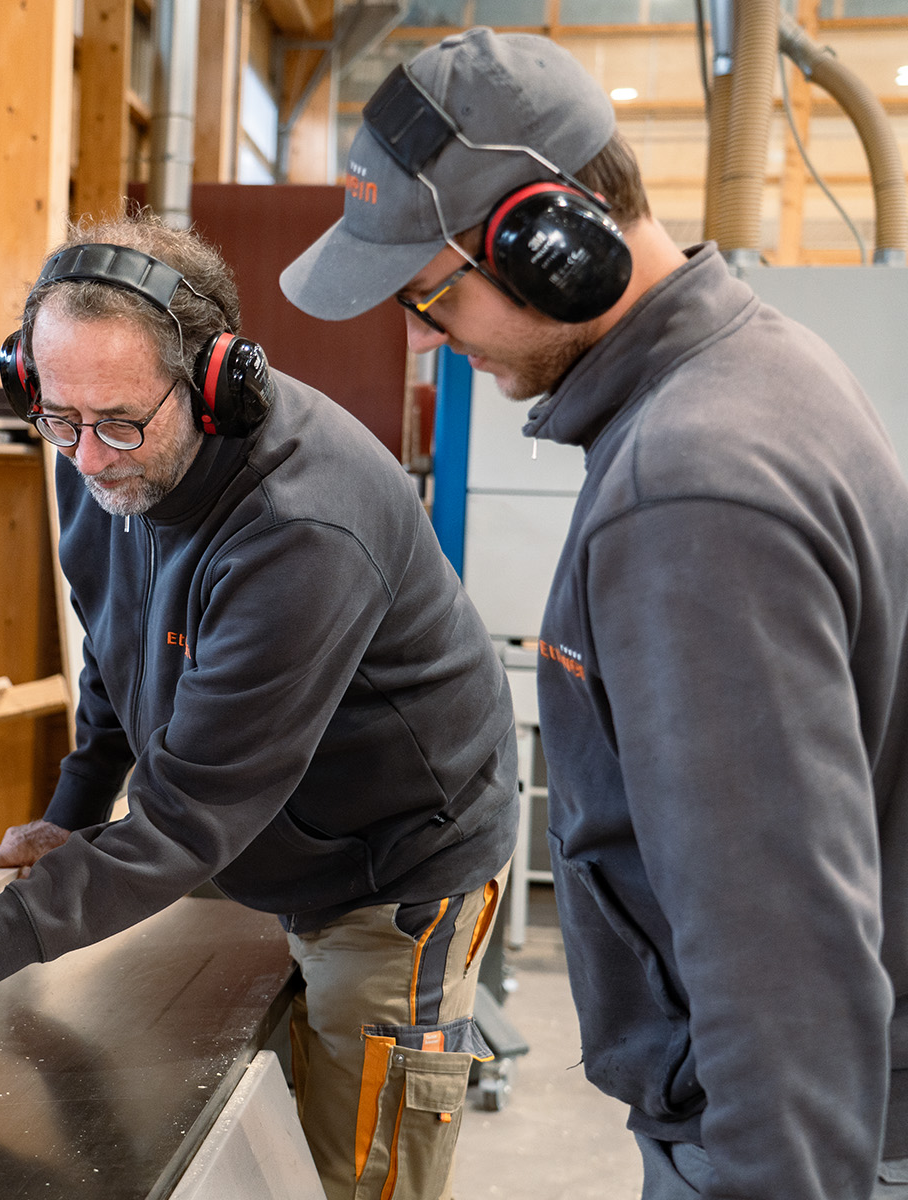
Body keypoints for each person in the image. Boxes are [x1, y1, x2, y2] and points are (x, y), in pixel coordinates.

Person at [280, 25, 908, 1200]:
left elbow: (780, 963)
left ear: (550, 245)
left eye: (430, 294)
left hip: (787, 1146)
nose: (422, 337)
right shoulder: (754, 376)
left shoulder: (689, 491)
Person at [0, 215, 520, 1199]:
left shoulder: (302, 530)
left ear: (217, 386)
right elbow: (115, 644)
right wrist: (74, 811)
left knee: (351, 1170)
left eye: (120, 423)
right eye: (58, 419)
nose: (88, 461)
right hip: (269, 823)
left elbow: (183, 823)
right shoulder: (107, 444)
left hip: (393, 868)